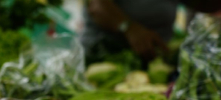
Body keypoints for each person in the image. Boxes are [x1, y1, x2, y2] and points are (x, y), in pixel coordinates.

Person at [81, 0, 221, 61]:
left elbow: (204, 4)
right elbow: (97, 7)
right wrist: (129, 28)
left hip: (155, 61)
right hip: (105, 57)